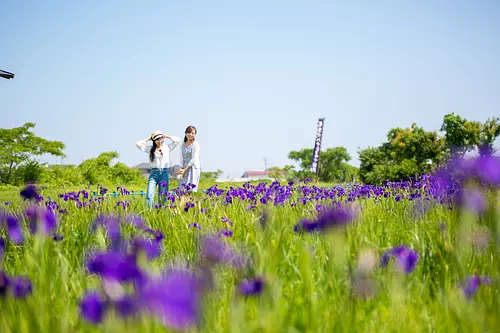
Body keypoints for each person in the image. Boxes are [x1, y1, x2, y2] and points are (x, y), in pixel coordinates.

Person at [136, 130, 180, 209]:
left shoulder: (167, 147)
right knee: (149, 194)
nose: (159, 141)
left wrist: (166, 136)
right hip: (154, 174)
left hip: (164, 173)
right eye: (157, 139)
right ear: (154, 141)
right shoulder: (150, 149)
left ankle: (161, 211)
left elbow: (177, 140)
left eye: (161, 139)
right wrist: (148, 139)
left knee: (163, 195)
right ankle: (149, 212)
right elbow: (138, 144)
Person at [178, 125, 201, 192]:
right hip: (184, 167)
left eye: (193, 133)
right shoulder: (183, 144)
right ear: (185, 133)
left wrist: (185, 169)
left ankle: (187, 202)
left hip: (192, 167)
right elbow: (181, 157)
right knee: (182, 188)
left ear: (195, 134)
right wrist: (181, 169)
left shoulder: (195, 144)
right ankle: (182, 202)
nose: (190, 134)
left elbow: (194, 158)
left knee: (189, 189)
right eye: (189, 132)